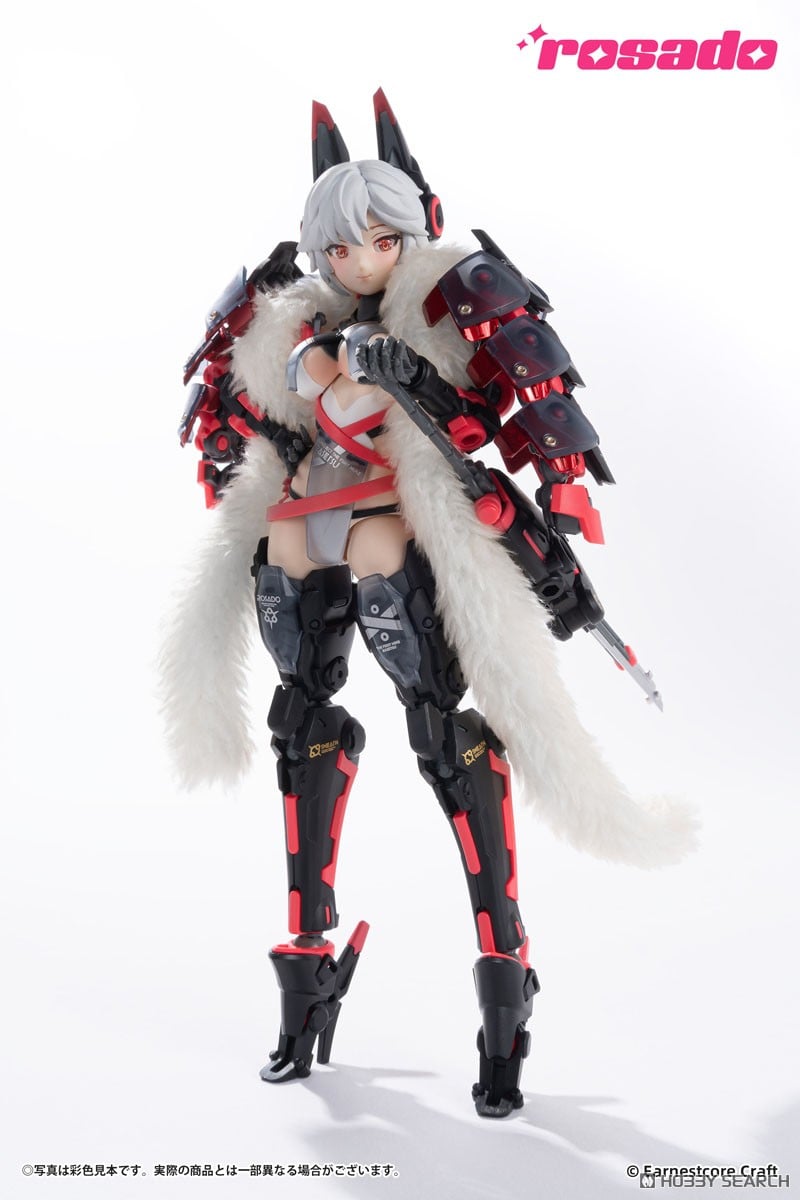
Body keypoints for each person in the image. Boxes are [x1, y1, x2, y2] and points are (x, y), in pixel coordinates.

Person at [161, 92, 696, 1119]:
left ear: (412, 230)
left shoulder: (450, 304)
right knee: (301, 711)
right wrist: (333, 373)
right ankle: (307, 952)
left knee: (443, 723)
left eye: (380, 239)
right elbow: (281, 408)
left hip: (390, 515)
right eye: (340, 244)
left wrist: (548, 487)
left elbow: (534, 405)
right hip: (306, 507)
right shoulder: (298, 326)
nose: (360, 258)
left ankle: (504, 965)